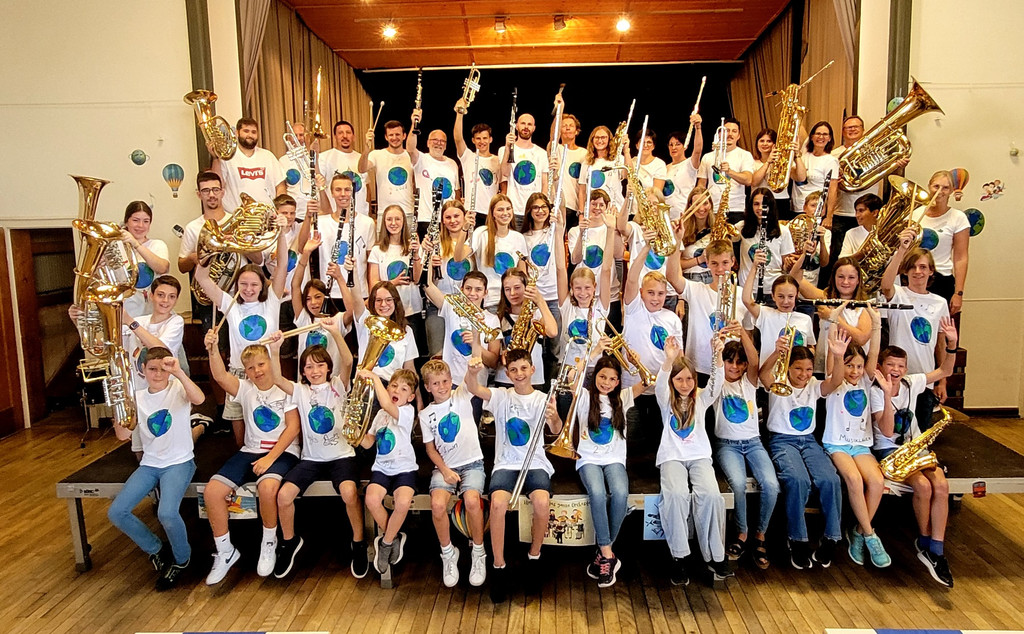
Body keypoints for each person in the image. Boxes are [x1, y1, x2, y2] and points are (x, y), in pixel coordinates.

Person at [265, 321, 365, 579]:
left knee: (349, 492)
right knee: (284, 496)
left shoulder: (338, 386)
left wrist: (334, 331)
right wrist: (275, 350)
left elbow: (348, 361)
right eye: (309, 366)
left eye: (320, 365)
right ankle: (289, 542)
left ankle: (359, 542)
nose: (314, 370)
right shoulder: (299, 391)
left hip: (341, 456)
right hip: (311, 459)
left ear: (328, 367)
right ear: (303, 372)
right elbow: (276, 378)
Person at [202, 333, 301, 584]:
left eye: (260, 364)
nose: (256, 371)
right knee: (212, 492)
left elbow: (292, 429)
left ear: (269, 362)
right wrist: (213, 349)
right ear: (245, 371)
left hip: (282, 452)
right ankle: (225, 550)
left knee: (268, 488)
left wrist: (270, 459)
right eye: (250, 367)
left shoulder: (286, 388)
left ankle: (269, 541)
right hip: (250, 451)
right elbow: (220, 376)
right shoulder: (245, 388)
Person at [464, 347, 559, 602]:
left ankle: (534, 558)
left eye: (523, 369)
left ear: (533, 370)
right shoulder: (501, 396)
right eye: (514, 370)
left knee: (541, 502)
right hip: (506, 463)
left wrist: (554, 417)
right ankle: (499, 566)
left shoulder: (542, 398)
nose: (519, 374)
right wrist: (472, 373)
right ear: (507, 373)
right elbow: (474, 388)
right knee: (497, 505)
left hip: (535, 462)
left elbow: (557, 429)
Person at [871, 318, 959, 587]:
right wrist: (887, 395)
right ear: (880, 367)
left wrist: (951, 342)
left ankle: (936, 549)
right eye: (890, 365)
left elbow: (945, 369)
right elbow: (886, 431)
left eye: (900, 366)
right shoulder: (876, 391)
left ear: (906, 369)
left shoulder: (912, 382)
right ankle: (923, 540)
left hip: (915, 447)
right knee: (922, 486)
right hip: (890, 450)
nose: (896, 370)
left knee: (941, 487)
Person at [106, 347, 204, 590]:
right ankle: (156, 549)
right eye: (152, 369)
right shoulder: (138, 398)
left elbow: (200, 399)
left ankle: (182, 560)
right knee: (117, 512)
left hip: (179, 462)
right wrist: (119, 404)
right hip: (150, 464)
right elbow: (122, 435)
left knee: (167, 513)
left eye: (163, 369)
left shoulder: (178, 389)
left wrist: (179, 372)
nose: (158, 374)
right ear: (142, 370)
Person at [195, 215, 289, 435]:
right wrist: (214, 249)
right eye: (243, 284)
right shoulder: (229, 304)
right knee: (240, 437)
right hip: (237, 373)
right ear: (236, 284)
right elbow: (202, 277)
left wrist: (282, 233)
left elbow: (283, 264)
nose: (248, 289)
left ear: (261, 286)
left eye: (254, 284)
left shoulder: (272, 301)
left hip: (267, 372)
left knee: (267, 428)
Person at [759, 333, 846, 569]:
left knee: (830, 479)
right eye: (798, 369)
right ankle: (797, 539)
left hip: (808, 441)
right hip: (782, 441)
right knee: (797, 480)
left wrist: (838, 357)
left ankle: (831, 537)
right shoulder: (779, 384)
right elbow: (763, 374)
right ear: (788, 369)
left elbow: (836, 380)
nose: (804, 374)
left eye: (808, 369)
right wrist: (778, 351)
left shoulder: (814, 386)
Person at [656, 334, 730, 585]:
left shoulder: (701, 397)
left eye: (689, 378)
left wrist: (717, 354)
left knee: (711, 495)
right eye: (679, 379)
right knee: (675, 495)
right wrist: (669, 360)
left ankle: (715, 556)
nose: (685, 383)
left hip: (699, 456)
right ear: (672, 381)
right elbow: (658, 384)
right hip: (672, 457)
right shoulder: (666, 399)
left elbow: (717, 383)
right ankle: (679, 556)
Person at [570, 353, 647, 587]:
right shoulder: (584, 396)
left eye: (612, 379)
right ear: (594, 377)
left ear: (618, 382)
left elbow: (648, 380)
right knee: (598, 493)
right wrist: (592, 354)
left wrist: (634, 361)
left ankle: (604, 555)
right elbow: (573, 375)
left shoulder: (623, 397)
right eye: (602, 376)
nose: (606, 382)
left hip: (614, 459)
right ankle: (608, 554)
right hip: (588, 459)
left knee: (621, 494)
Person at [821, 306, 890, 568]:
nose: (855, 371)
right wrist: (831, 322)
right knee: (852, 478)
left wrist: (876, 324)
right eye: (850, 366)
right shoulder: (835, 380)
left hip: (861, 444)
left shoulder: (866, 380)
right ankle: (871, 535)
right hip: (837, 443)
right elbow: (834, 361)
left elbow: (873, 352)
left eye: (858, 367)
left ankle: (859, 532)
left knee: (875, 480)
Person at [713, 329, 779, 570]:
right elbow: (717, 363)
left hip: (753, 443)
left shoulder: (749, 382)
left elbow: (754, 360)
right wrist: (720, 348)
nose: (734, 366)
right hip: (726, 445)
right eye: (730, 361)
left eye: (739, 363)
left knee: (771, 485)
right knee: (738, 484)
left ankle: (760, 534)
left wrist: (741, 331)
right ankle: (742, 532)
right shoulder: (718, 381)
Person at [419, 359, 488, 588]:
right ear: (428, 387)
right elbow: (430, 449)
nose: (442, 386)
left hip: (472, 464)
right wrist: (445, 470)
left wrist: (472, 368)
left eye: (445, 381)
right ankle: (448, 553)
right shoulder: (425, 414)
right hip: (444, 466)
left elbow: (471, 379)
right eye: (436, 383)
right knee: (437, 505)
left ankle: (478, 550)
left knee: (471, 501)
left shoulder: (461, 395)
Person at [881, 230, 954, 420]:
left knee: (921, 433)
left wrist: (941, 381)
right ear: (905, 271)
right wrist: (901, 250)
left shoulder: (940, 303)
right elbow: (886, 285)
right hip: (897, 377)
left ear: (931, 271)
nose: (918, 271)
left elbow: (940, 344)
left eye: (923, 267)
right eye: (912, 267)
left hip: (925, 378)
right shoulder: (898, 293)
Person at [621, 235, 683, 444]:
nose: (655, 298)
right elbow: (631, 278)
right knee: (631, 442)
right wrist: (646, 247)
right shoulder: (634, 309)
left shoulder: (672, 318)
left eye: (660, 294)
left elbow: (679, 357)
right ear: (641, 293)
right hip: (633, 389)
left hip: (662, 390)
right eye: (650, 293)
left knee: (659, 441)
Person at [359, 368, 419, 577]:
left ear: (410, 397)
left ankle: (385, 543)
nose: (397, 390)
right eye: (394, 386)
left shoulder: (407, 411)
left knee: (402, 502)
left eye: (403, 389)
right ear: (387, 387)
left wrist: (374, 376)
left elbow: (385, 402)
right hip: (382, 468)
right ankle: (394, 538)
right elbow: (368, 443)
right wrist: (354, 434)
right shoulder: (381, 415)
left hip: (404, 469)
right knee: (371, 499)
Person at [301, 173, 376, 307]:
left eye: (347, 190)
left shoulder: (367, 223)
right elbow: (301, 247)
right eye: (338, 190)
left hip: (359, 293)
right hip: (329, 293)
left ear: (353, 192)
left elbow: (370, 263)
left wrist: (371, 293)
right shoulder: (322, 222)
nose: (343, 194)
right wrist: (307, 217)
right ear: (332, 193)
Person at [336, 263, 419, 382]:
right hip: (365, 386)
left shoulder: (406, 331)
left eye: (388, 300)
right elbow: (357, 298)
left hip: (393, 390)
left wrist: (419, 400)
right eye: (378, 300)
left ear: (396, 302)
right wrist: (353, 272)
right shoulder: (366, 322)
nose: (383, 305)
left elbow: (410, 369)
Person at [792, 255, 872, 372]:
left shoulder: (865, 306)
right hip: (824, 367)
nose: (845, 282)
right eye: (840, 277)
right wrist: (806, 254)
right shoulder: (824, 298)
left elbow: (861, 339)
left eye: (851, 277)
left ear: (858, 280)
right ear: (833, 277)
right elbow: (795, 279)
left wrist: (832, 317)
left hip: (852, 370)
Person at [424, 268, 501, 387]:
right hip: (451, 383)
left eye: (478, 289)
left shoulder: (492, 319)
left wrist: (475, 344)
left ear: (485, 293)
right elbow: (427, 285)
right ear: (461, 290)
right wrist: (428, 255)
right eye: (468, 288)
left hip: (477, 385)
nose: (472, 293)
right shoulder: (451, 308)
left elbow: (493, 362)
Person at [421, 200, 476, 356]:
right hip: (437, 305)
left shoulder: (474, 241)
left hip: (466, 307)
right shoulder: (432, 242)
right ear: (443, 221)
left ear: (464, 217)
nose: (453, 221)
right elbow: (424, 280)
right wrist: (431, 265)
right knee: (438, 358)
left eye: (457, 216)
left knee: (463, 357)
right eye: (448, 217)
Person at [367, 205, 424, 351]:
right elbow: (373, 285)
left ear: (404, 222)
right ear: (384, 222)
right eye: (389, 219)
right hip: (387, 311)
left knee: (411, 354)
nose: (393, 223)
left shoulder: (412, 246)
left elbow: (417, 279)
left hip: (411, 310)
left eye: (397, 219)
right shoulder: (377, 250)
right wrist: (393, 283)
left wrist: (416, 253)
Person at [289, 235, 347, 377]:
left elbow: (352, 309)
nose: (313, 302)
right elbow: (295, 286)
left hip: (331, 386)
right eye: (308, 299)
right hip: (306, 385)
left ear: (326, 297)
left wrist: (339, 278)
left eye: (318, 297)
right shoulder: (303, 319)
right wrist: (305, 255)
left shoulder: (337, 320)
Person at [520, 192, 565, 373]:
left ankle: (551, 387)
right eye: (536, 207)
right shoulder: (523, 237)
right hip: (534, 299)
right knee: (536, 348)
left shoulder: (554, 231)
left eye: (544, 207)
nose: (540, 211)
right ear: (529, 211)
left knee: (554, 349)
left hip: (553, 297)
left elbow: (562, 202)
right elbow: (522, 272)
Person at [494, 268, 558, 388]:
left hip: (534, 379)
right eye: (507, 289)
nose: (512, 293)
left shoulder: (537, 314)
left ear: (526, 288)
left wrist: (540, 301)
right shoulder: (498, 317)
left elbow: (553, 332)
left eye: (517, 288)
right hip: (505, 379)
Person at [742, 268, 815, 371]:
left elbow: (810, 347)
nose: (786, 301)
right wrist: (754, 267)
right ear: (773, 296)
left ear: (796, 296)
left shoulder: (805, 319)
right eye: (780, 296)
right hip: (768, 376)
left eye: (790, 296)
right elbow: (746, 300)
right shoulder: (765, 314)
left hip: (794, 379)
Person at [569, 189, 623, 325]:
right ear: (587, 205)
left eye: (601, 205)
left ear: (607, 207)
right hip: (583, 296)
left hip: (609, 296)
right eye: (594, 204)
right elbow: (575, 259)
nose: (597, 208)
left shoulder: (611, 229)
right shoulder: (575, 231)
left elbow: (619, 254)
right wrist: (582, 233)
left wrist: (614, 229)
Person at [919, 170, 971, 312]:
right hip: (914, 277)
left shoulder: (958, 217)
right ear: (929, 186)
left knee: (942, 330)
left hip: (941, 279)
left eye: (945, 188)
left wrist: (958, 293)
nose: (940, 191)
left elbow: (961, 257)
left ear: (951, 191)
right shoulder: (916, 212)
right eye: (936, 186)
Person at [210, 117, 286, 212]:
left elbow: (280, 187)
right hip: (237, 218)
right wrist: (216, 158)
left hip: (266, 218)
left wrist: (280, 210)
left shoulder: (268, 156)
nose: (250, 135)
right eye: (246, 131)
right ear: (237, 133)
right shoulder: (227, 157)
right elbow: (217, 185)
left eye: (253, 132)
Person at [736, 188, 796, 301]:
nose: (760, 208)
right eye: (756, 204)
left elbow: (785, 265)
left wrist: (788, 265)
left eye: (764, 204)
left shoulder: (783, 231)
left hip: (773, 289)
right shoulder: (741, 227)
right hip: (747, 288)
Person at [471, 194, 528, 310]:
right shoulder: (481, 233)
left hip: (514, 301)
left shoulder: (519, 237)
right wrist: (465, 228)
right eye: (500, 210)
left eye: (508, 209)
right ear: (493, 214)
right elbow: (460, 257)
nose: (505, 213)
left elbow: (523, 274)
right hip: (490, 301)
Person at [407, 114, 460, 236]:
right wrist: (414, 124)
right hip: (426, 219)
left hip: (448, 220)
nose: (439, 143)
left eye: (442, 141)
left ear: (446, 145)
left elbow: (456, 192)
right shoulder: (421, 159)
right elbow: (410, 148)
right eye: (435, 140)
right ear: (428, 143)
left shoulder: (452, 164)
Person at [696, 117, 754, 223]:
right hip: (712, 209)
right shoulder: (707, 157)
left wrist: (729, 172)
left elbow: (748, 180)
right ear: (719, 134)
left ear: (739, 136)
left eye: (734, 131)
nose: (730, 134)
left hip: (735, 209)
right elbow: (701, 185)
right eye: (726, 130)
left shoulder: (745, 155)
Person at [121, 201, 170, 318]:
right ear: (127, 221)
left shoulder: (157, 245)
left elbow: (162, 268)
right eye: (135, 220)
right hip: (126, 315)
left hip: (153, 315)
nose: (141, 226)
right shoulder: (116, 248)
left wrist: (136, 244)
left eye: (146, 221)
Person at [453, 99, 500, 223]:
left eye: (485, 138)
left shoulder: (498, 160)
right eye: (478, 138)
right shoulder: (468, 156)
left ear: (490, 139)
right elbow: (458, 138)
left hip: (491, 213)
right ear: (473, 140)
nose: (481, 141)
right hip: (471, 211)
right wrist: (459, 114)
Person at [498, 112, 549, 225]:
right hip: (514, 211)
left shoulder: (541, 153)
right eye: (523, 123)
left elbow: (545, 184)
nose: (526, 127)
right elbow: (505, 173)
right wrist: (508, 147)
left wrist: (542, 207)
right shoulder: (504, 150)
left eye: (529, 124)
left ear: (534, 128)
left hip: (534, 212)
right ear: (516, 126)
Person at [359, 120, 415, 219]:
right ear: (386, 137)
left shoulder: (411, 156)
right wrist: (366, 149)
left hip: (408, 212)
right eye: (391, 135)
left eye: (397, 134)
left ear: (404, 136)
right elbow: (362, 169)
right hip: (384, 213)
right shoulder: (376, 154)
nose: (394, 138)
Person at [319, 120, 371, 217]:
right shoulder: (324, 157)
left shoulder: (361, 158)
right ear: (335, 137)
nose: (345, 136)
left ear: (353, 137)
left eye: (348, 133)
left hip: (360, 215)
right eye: (340, 133)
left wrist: (369, 213)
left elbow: (367, 188)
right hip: (336, 217)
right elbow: (318, 184)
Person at [782, 191, 832, 290]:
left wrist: (821, 240)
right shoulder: (791, 226)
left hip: (811, 282)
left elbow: (824, 263)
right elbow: (785, 254)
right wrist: (788, 262)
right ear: (805, 208)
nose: (817, 210)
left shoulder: (826, 233)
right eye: (813, 205)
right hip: (789, 277)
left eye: (821, 207)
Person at [548, 100, 587, 223]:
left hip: (575, 206)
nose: (568, 128)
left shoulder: (584, 153)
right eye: (564, 126)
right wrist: (559, 110)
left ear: (576, 130)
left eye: (571, 125)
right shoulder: (556, 148)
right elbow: (553, 135)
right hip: (556, 203)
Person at [791, 121, 840, 219]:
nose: (821, 137)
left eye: (825, 134)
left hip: (816, 211)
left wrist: (829, 217)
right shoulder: (803, 155)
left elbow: (832, 190)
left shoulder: (831, 161)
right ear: (811, 137)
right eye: (818, 133)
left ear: (830, 138)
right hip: (797, 208)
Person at [663, 118, 704, 219]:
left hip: (685, 215)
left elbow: (698, 150)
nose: (674, 148)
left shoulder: (690, 163)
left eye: (678, 144)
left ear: (684, 146)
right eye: (671, 145)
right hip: (667, 217)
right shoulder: (665, 168)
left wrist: (698, 128)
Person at [577, 126, 623, 212]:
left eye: (603, 137)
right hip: (593, 211)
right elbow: (582, 191)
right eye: (597, 137)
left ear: (609, 140)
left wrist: (627, 151)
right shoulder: (587, 162)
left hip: (614, 209)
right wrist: (581, 213)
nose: (600, 140)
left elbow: (627, 175)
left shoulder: (618, 159)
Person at [749, 128, 791, 215]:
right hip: (758, 201)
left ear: (775, 144)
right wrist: (768, 162)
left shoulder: (783, 161)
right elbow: (754, 182)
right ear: (757, 144)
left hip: (780, 201)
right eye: (762, 141)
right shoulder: (752, 162)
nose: (765, 144)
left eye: (769, 141)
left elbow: (801, 178)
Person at [278, 121, 315, 218]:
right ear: (289, 138)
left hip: (316, 212)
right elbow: (281, 188)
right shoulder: (282, 160)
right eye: (295, 135)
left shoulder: (315, 157)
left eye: (301, 135)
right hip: (294, 215)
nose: (298, 139)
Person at [678, 186, 714, 285]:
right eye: (697, 204)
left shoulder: (717, 227)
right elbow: (676, 265)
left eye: (705, 203)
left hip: (713, 278)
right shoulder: (682, 228)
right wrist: (699, 260)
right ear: (690, 205)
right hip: (690, 279)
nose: (701, 208)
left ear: (710, 204)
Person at [838, 193, 882, 258]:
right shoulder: (851, 233)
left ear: (874, 213)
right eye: (856, 211)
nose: (857, 215)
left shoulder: (887, 232)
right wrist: (861, 254)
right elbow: (842, 260)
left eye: (861, 211)